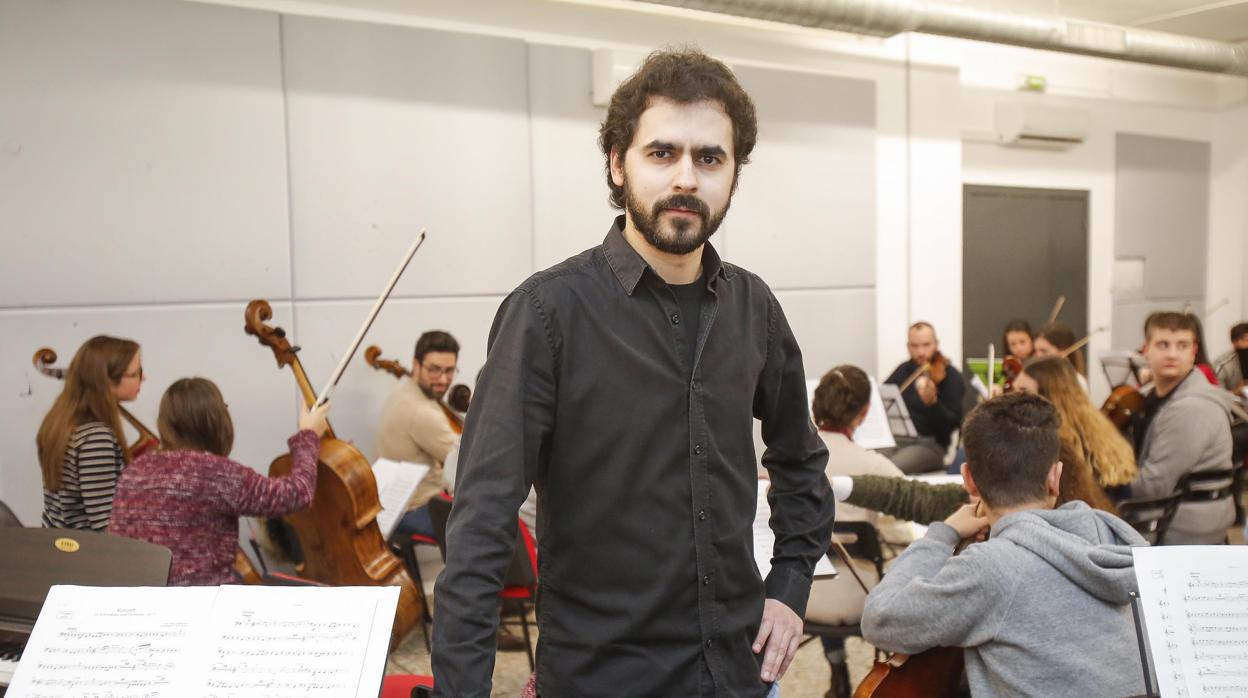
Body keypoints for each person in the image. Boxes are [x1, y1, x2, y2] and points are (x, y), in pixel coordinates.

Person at [432, 48, 834, 697]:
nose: (686, 178)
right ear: (618, 163)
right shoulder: (545, 314)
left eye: (710, 158)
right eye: (661, 153)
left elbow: (801, 462)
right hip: (603, 678)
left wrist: (788, 586)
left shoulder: (753, 307)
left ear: (734, 173)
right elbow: (480, 528)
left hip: (740, 673)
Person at [861, 392, 1148, 698]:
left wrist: (943, 534)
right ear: (1055, 477)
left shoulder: (991, 568)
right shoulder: (1109, 535)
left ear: (969, 481)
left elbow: (880, 619)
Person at [108, 378, 328, 585]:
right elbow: (297, 493)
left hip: (137, 603)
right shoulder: (215, 473)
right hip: (204, 606)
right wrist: (308, 435)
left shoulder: (134, 471)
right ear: (217, 421)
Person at [808, 365, 909, 698]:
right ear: (865, 413)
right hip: (862, 595)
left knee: (821, 565)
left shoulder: (787, 460)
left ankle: (837, 669)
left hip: (800, 595)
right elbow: (905, 529)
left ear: (815, 405)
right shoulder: (874, 466)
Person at [1127, 311, 1236, 544]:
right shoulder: (1147, 395)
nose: (1172, 354)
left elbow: (1152, 486)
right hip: (1167, 512)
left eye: (1182, 345)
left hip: (1183, 528)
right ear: (1146, 349)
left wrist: (1102, 483)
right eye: (1163, 344)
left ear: (1194, 351)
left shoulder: (1194, 408)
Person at [37, 336, 143, 531]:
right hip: (87, 556)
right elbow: (105, 524)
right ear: (108, 381)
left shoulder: (60, 422)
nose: (143, 378)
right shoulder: (96, 437)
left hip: (60, 549)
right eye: (136, 372)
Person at [1012, 357, 1135, 505]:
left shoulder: (1056, 443)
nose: (1013, 400)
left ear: (1048, 395)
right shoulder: (1101, 431)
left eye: (1023, 391)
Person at [376, 330, 461, 538]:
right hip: (414, 509)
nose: (443, 379)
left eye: (449, 371)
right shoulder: (422, 412)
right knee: (486, 527)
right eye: (434, 370)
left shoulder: (404, 393)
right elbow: (464, 462)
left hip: (393, 504)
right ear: (416, 365)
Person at [883, 322, 964, 474]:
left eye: (926, 345)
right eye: (915, 346)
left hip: (931, 445)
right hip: (898, 440)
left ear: (936, 344)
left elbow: (952, 424)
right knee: (871, 458)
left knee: (891, 467)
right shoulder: (903, 370)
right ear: (908, 347)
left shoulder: (950, 376)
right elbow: (883, 396)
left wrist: (933, 404)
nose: (921, 352)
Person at [1032, 322, 1089, 394]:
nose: (1038, 356)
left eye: (1044, 351)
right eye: (1035, 351)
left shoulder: (1077, 381)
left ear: (1063, 352)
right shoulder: (1035, 379)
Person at [1212, 321, 1248, 393]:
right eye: (1246, 339)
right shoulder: (1222, 366)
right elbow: (1215, 396)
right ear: (1234, 343)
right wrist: (1236, 392)